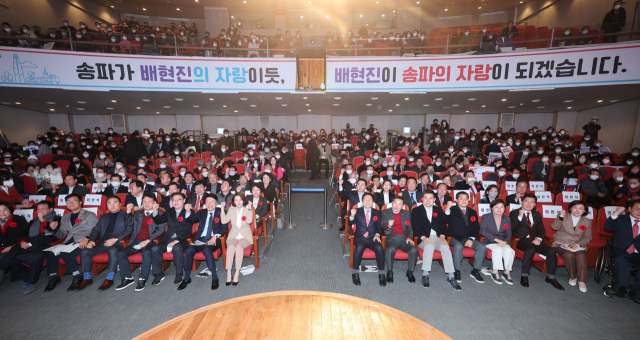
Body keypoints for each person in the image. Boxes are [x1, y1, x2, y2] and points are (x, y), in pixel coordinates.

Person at [41, 194, 98, 292]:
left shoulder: (89, 214)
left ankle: (77, 276)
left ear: (80, 202)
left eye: (73, 201)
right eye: (68, 201)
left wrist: (87, 238)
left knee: (66, 253)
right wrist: (54, 230)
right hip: (69, 242)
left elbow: (96, 229)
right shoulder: (65, 217)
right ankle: (53, 277)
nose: (70, 203)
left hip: (83, 241)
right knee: (51, 253)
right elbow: (62, 235)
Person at [75, 196, 132, 291]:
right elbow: (95, 230)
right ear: (106, 206)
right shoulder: (103, 217)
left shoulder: (126, 215)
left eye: (115, 202)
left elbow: (129, 230)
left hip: (117, 243)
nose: (112, 205)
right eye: (109, 203)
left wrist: (115, 239)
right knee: (85, 251)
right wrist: (92, 240)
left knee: (113, 250)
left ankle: (110, 278)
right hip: (102, 243)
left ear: (120, 204)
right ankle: (87, 277)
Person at [510, 194, 563, 290]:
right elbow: (512, 228)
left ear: (535, 204)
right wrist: (520, 217)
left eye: (532, 202)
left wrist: (539, 239)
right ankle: (524, 275)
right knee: (530, 250)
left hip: (534, 240)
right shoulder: (514, 213)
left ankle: (551, 277)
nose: (529, 204)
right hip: (520, 240)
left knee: (551, 251)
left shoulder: (537, 214)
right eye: (526, 201)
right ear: (522, 202)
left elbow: (541, 230)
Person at [114, 194, 166, 291]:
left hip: (151, 241)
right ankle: (127, 278)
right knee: (121, 253)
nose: (146, 203)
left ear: (155, 203)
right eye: (144, 201)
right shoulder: (138, 213)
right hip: (137, 241)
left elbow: (161, 230)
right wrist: (128, 212)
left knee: (146, 252)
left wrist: (148, 240)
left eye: (149, 201)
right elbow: (129, 224)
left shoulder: (160, 213)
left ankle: (142, 278)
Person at [411, 191, 460, 290]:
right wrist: (423, 237)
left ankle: (451, 276)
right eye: (426, 198)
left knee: (445, 247)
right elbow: (415, 226)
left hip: (437, 237)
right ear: (422, 199)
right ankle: (425, 275)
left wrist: (442, 235)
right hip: (423, 238)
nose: (428, 200)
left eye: (430, 198)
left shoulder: (438, 209)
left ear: (434, 200)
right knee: (429, 246)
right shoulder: (416, 210)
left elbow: (443, 224)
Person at [180, 194, 228, 290]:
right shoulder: (201, 212)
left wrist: (216, 236)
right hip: (200, 240)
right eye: (207, 202)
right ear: (205, 203)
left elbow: (224, 228)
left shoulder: (221, 211)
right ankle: (186, 278)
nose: (209, 204)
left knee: (207, 249)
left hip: (215, 239)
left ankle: (214, 278)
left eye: (212, 201)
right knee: (189, 250)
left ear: (216, 203)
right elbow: (191, 220)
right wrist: (188, 211)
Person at [149, 192, 193, 285]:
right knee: (155, 248)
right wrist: (155, 211)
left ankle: (179, 274)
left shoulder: (188, 211)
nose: (176, 202)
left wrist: (176, 241)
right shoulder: (169, 211)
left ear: (184, 201)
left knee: (177, 248)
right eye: (173, 200)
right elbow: (159, 221)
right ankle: (158, 274)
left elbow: (187, 229)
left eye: (179, 199)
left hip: (183, 239)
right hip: (168, 238)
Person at [550, 201, 592, 293]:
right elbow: (554, 227)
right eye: (575, 207)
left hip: (577, 244)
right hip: (561, 243)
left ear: (584, 211)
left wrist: (577, 245)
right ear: (571, 208)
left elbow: (588, 237)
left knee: (581, 255)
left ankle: (582, 281)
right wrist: (560, 217)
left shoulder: (587, 222)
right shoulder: (564, 216)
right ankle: (573, 277)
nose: (577, 210)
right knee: (568, 254)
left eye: (580, 208)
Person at [604, 203, 640, 302]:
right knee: (621, 259)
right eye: (637, 209)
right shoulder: (621, 219)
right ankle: (621, 286)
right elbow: (607, 226)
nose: (639, 212)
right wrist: (616, 213)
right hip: (622, 251)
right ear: (629, 208)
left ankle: (636, 291)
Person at [448, 192, 486, 283]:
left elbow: (476, 227)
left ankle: (475, 271)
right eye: (461, 198)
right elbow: (445, 219)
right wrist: (447, 209)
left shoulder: (472, 212)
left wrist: (471, 239)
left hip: (468, 237)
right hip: (454, 238)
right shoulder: (452, 210)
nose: (464, 200)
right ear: (456, 200)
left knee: (482, 247)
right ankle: (457, 271)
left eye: (466, 198)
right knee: (458, 247)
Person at [349, 193, 385, 286]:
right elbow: (351, 222)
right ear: (362, 201)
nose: (367, 201)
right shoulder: (357, 210)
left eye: (370, 199)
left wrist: (377, 235)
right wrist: (352, 216)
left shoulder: (377, 212)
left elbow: (379, 227)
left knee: (379, 247)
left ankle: (381, 273)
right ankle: (355, 272)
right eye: (365, 199)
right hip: (360, 237)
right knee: (359, 247)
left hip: (373, 238)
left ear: (373, 202)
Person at [380, 197, 417, 284]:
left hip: (404, 238)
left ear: (402, 206)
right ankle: (389, 271)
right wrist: (388, 225)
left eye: (399, 204)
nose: (397, 206)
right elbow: (382, 224)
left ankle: (410, 271)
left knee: (414, 250)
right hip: (391, 237)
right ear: (392, 203)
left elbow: (410, 228)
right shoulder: (385, 212)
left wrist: (409, 237)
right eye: (395, 203)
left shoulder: (407, 213)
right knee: (391, 249)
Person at [220, 193, 254, 286]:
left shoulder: (247, 210)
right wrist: (222, 210)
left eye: (240, 200)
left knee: (239, 247)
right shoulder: (231, 210)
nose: (238, 202)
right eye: (236, 200)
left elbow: (249, 221)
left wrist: (250, 209)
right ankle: (228, 273)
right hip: (234, 236)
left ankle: (237, 272)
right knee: (231, 247)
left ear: (243, 201)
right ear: (233, 202)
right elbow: (224, 221)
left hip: (245, 236)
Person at [479, 199, 515, 284]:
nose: (499, 209)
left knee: (510, 250)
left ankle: (506, 273)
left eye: (501, 207)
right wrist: (496, 240)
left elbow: (509, 233)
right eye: (496, 207)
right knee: (498, 249)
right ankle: (495, 272)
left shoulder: (507, 219)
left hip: (503, 242)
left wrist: (505, 242)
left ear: (504, 209)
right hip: (490, 241)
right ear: (492, 208)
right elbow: (483, 231)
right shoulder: (486, 217)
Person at [0, 201, 30, 287]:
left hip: (18, 245)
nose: (2, 213)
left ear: (10, 210)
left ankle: (29, 279)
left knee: (6, 259)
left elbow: (25, 235)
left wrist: (12, 246)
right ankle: (28, 277)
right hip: (3, 248)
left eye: (4, 210)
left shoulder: (19, 219)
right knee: (9, 259)